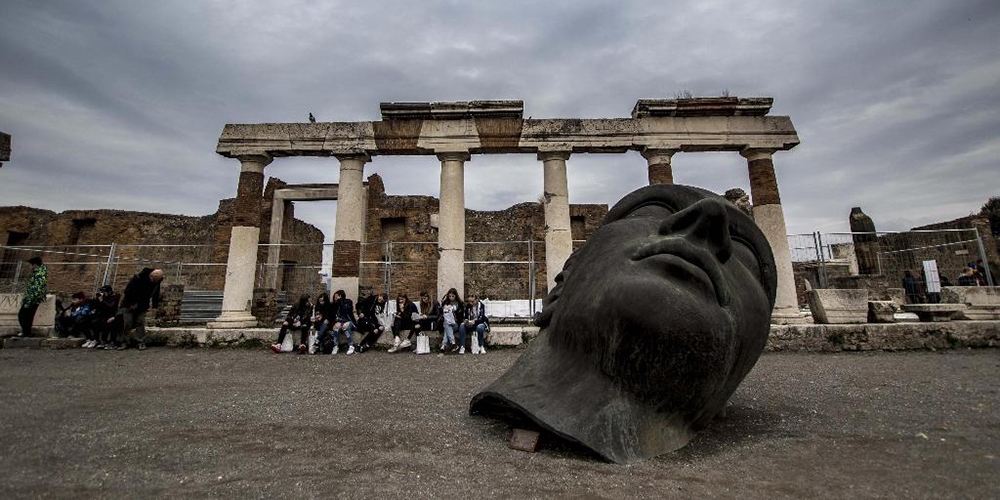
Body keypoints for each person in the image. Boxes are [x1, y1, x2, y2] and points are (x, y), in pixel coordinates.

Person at [119, 268, 163, 350]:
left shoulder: (157, 282)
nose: (155, 281)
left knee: (140, 323)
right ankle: (124, 342)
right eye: (155, 279)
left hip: (142, 305)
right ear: (152, 275)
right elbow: (128, 291)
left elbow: (156, 293)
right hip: (129, 304)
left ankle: (140, 342)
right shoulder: (138, 278)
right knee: (127, 323)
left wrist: (155, 306)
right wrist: (132, 303)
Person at [17, 256, 47, 337]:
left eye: (31, 265)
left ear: (35, 265)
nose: (30, 267)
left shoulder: (40, 273)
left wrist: (30, 299)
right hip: (31, 298)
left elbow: (37, 287)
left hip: (33, 299)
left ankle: (26, 332)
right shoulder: (38, 272)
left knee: (24, 315)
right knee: (26, 315)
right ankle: (26, 332)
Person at [92, 285, 122, 350]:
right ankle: (101, 341)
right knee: (96, 322)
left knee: (112, 323)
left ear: (109, 292)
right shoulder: (103, 298)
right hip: (105, 316)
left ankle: (113, 342)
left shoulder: (115, 297)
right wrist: (97, 300)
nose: (103, 294)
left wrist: (102, 301)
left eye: (104, 292)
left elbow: (111, 306)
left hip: (115, 316)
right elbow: (98, 308)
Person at [330, 289, 357, 355]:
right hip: (340, 322)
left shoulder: (348, 302)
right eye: (334, 297)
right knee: (336, 327)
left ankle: (351, 346)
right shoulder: (334, 305)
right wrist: (336, 323)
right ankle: (336, 346)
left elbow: (347, 312)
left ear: (341, 296)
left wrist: (340, 301)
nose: (335, 298)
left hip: (349, 321)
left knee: (345, 326)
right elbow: (333, 317)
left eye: (336, 297)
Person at [439, 288, 463, 352]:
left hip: (455, 324)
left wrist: (453, 313)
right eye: (449, 296)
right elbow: (441, 313)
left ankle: (444, 345)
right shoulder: (445, 302)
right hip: (446, 323)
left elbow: (461, 316)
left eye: (453, 296)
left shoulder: (459, 304)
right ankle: (452, 344)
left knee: (447, 326)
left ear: (456, 296)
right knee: (447, 324)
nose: (451, 298)